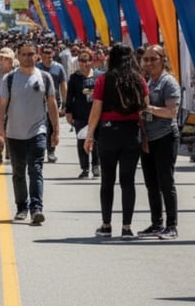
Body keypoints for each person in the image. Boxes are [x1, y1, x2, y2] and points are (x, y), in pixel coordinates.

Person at [85, 45, 149, 239]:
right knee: (128, 181)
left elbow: (96, 109)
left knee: (107, 180)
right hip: (131, 132)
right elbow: (145, 109)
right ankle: (126, 227)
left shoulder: (103, 80)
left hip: (108, 132)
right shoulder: (138, 80)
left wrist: (89, 135)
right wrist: (144, 136)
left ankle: (106, 225)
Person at [0, 42, 60, 225]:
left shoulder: (44, 77)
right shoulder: (9, 79)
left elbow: (52, 103)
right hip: (14, 133)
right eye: (24, 54)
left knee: (36, 169)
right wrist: (0, 128)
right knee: (18, 172)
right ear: (18, 56)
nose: (28, 58)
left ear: (36, 56)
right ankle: (22, 207)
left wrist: (56, 129)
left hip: (38, 131)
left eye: (31, 54)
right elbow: (1, 105)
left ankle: (36, 208)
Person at [138, 45, 181, 240]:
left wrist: (149, 109)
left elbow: (172, 112)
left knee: (166, 182)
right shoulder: (148, 81)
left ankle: (172, 225)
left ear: (163, 60)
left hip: (165, 137)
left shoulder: (168, 82)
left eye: (153, 59)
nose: (149, 63)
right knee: (151, 184)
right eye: (146, 59)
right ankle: (156, 223)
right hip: (148, 139)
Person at [66, 49, 100, 179]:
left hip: (96, 114)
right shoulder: (74, 78)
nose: (83, 63)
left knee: (96, 141)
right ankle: (85, 168)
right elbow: (70, 96)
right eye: (81, 60)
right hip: (80, 114)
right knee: (81, 141)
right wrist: (68, 112)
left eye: (86, 60)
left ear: (91, 61)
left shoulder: (98, 76)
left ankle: (96, 166)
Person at [37, 46, 69, 163]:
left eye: (50, 52)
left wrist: (65, 104)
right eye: (46, 53)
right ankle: (40, 151)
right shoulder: (37, 67)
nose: (48, 55)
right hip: (39, 102)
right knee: (42, 127)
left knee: (51, 126)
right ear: (41, 55)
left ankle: (51, 152)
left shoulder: (58, 67)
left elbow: (63, 85)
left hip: (54, 101)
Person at [0, 47, 18, 166]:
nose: (4, 60)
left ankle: (11, 151)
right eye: (2, 58)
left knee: (12, 133)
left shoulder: (17, 73)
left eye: (7, 58)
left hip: (14, 106)